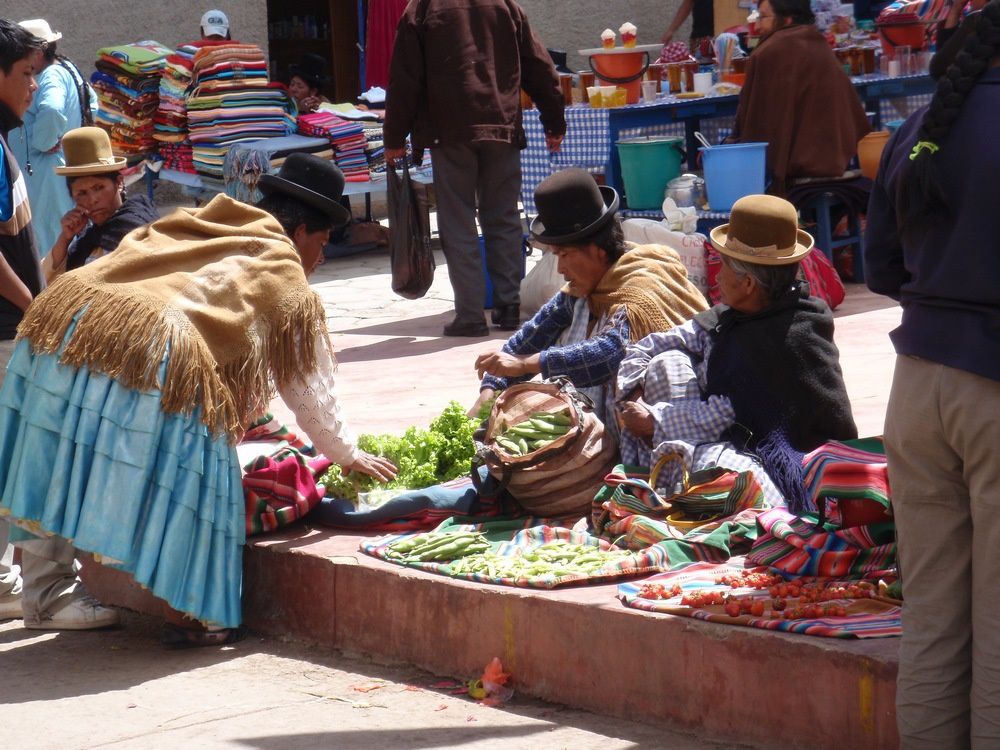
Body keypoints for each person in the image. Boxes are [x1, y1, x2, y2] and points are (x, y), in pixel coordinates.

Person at [0, 153, 396, 645]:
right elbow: (308, 389)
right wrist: (346, 454)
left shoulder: (203, 219)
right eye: (321, 243)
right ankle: (191, 616)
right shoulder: (282, 268)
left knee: (61, 451)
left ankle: (44, 593)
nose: (319, 258)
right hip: (155, 344)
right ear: (299, 233)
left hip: (61, 317)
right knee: (199, 474)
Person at [864, 3, 1000, 744]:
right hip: (991, 389)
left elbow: (881, 266)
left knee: (934, 622)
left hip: (917, 390)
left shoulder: (920, 130)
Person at [616, 195, 857, 505]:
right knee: (667, 362)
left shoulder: (794, 333)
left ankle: (678, 483)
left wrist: (654, 421)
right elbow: (652, 345)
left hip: (796, 466)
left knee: (719, 472)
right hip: (734, 437)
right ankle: (671, 477)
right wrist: (634, 391)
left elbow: (726, 411)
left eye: (724, 266)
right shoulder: (731, 319)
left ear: (748, 284)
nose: (716, 275)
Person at [471, 168, 709, 431]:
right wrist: (493, 386)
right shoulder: (587, 287)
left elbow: (612, 353)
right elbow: (534, 334)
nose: (560, 269)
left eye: (564, 255)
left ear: (596, 250)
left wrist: (528, 364)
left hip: (672, 423)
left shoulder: (640, 286)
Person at [384, 0, 567, 337]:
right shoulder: (505, 5)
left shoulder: (421, 9)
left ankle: (469, 315)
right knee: (503, 216)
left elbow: (404, 78)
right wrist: (553, 120)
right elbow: (540, 65)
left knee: (458, 221)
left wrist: (394, 136)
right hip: (500, 124)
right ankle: (509, 306)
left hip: (449, 130)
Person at [0, 18, 47, 623]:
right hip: (6, 333)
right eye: (26, 75)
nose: (34, 87)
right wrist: (33, 307)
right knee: (29, 460)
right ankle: (48, 592)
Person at [732, 0, 870, 194]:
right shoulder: (819, 43)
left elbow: (755, 124)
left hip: (794, 167)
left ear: (787, 19)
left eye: (763, 17)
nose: (758, 25)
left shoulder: (767, 51)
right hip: (837, 158)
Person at [8, 19, 97, 256]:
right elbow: (93, 105)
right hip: (60, 168)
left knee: (47, 239)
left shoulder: (50, 76)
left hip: (45, 172)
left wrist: (45, 142)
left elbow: (52, 109)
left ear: (36, 52)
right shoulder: (69, 69)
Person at [41, 127, 158, 281]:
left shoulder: (138, 226)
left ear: (119, 183)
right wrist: (65, 238)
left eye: (99, 188)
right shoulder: (87, 240)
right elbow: (44, 279)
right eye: (81, 193)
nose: (92, 200)